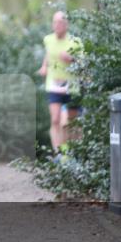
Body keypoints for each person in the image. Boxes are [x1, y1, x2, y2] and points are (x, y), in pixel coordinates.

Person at [37, 10, 81, 157]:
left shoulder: (75, 42)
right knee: (55, 120)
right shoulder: (48, 39)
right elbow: (48, 54)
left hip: (72, 86)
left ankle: (72, 152)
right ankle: (58, 154)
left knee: (70, 122)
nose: (57, 25)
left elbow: (84, 63)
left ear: (66, 25)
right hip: (54, 85)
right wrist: (44, 66)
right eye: (55, 22)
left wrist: (72, 59)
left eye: (60, 22)